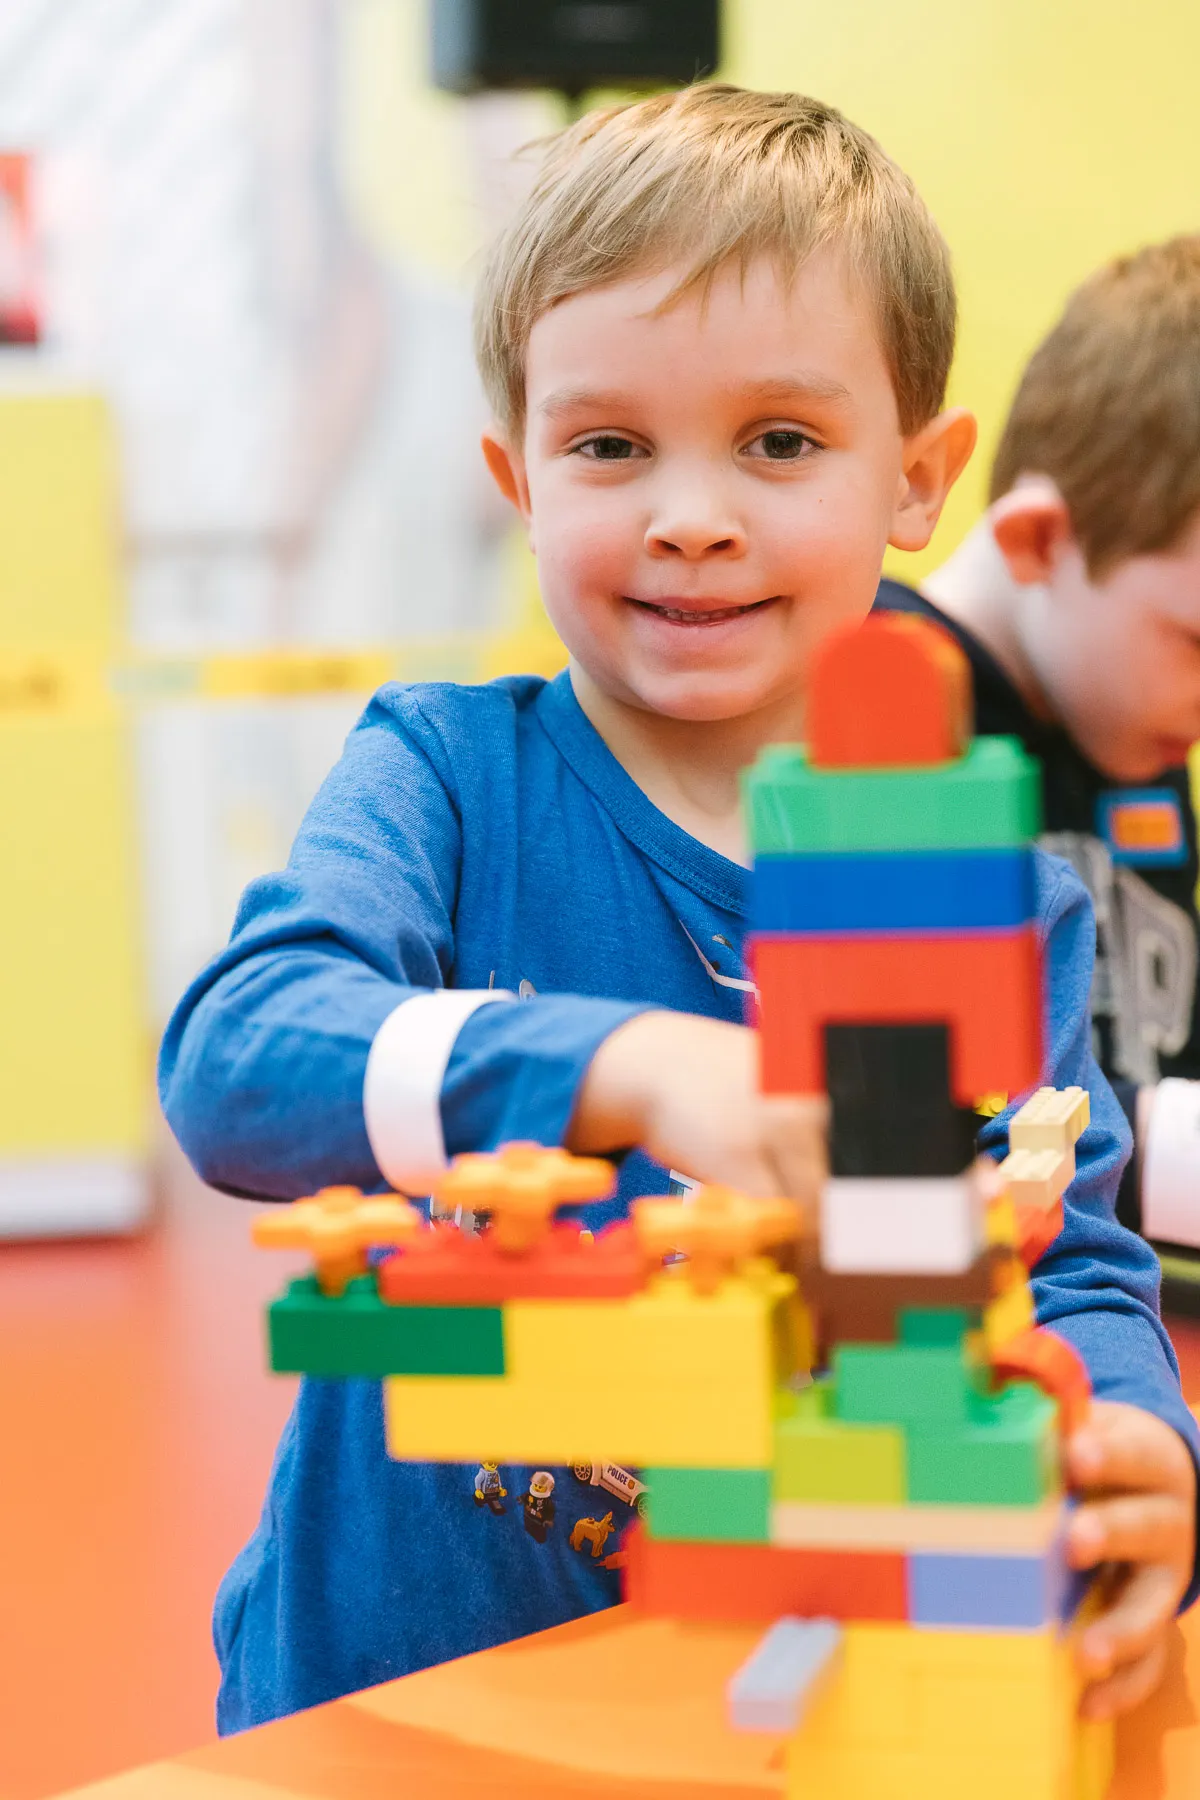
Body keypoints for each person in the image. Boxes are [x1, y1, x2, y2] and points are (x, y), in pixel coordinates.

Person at [159, 86, 1198, 1735]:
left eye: (780, 442)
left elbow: (1058, 1255)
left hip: (782, 1710)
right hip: (392, 1712)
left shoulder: (999, 895)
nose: (691, 512)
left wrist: (1139, 1443)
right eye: (608, 445)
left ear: (919, 480)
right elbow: (235, 1057)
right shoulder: (440, 780)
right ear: (518, 474)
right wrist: (634, 1066)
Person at [877, 238, 1200, 1267]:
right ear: (1038, 542)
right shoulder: (882, 711)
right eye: (1196, 641)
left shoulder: (1130, 713)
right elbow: (924, 1115)